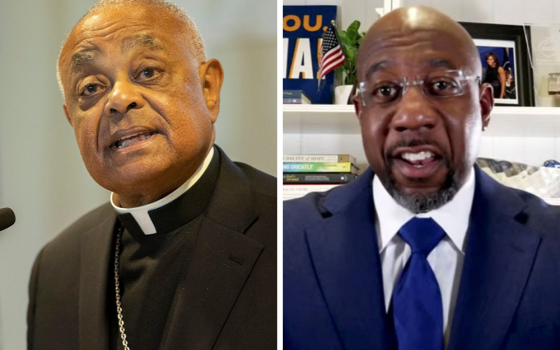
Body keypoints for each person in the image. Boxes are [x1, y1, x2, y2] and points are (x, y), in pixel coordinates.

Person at [284, 6, 560, 350]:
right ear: (360, 112)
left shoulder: (553, 243)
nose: (413, 116)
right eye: (385, 91)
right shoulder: (284, 239)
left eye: (442, 85)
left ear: (485, 107)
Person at [27, 1, 276, 349]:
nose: (118, 99)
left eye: (147, 72)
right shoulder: (57, 268)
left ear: (209, 89)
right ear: (72, 120)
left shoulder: (287, 231)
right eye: (91, 88)